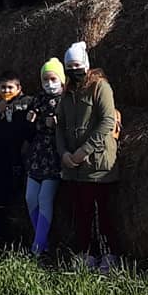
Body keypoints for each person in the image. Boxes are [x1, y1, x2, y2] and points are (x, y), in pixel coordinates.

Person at [56, 42, 119, 273]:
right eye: (69, 66)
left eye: (76, 64)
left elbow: (106, 122)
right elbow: (60, 127)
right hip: (74, 165)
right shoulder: (67, 93)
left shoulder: (100, 87)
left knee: (100, 211)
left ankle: (108, 254)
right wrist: (64, 153)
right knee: (80, 210)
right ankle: (86, 253)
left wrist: (84, 151)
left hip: (97, 163)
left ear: (85, 63)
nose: (74, 69)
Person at [0, 71, 32, 238]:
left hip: (17, 158)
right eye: (3, 87)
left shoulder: (26, 103)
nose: (6, 91)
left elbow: (30, 130)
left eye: (10, 87)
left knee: (16, 197)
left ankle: (15, 236)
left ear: (18, 88)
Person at [24, 58, 65, 257]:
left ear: (61, 79)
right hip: (37, 154)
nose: (49, 83)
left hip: (54, 156)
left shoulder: (67, 100)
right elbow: (29, 126)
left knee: (44, 198)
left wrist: (58, 124)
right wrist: (30, 119)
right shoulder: (39, 99)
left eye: (53, 79)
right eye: (45, 80)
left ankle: (38, 245)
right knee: (30, 198)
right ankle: (42, 238)